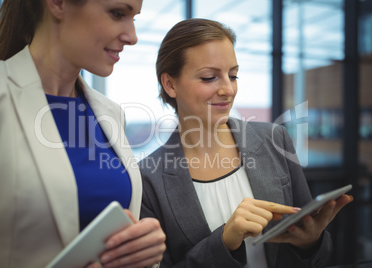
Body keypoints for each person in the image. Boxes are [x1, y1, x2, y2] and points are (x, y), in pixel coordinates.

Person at [139, 18, 353, 267]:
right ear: (170, 84)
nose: (228, 89)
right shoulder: (147, 179)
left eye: (233, 75)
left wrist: (309, 242)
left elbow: (319, 255)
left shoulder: (275, 140)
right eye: (209, 77)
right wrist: (224, 242)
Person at [0, 0, 166, 267]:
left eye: (134, 18)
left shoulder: (110, 114)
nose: (132, 37)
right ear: (58, 4)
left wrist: (142, 251)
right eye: (118, 13)